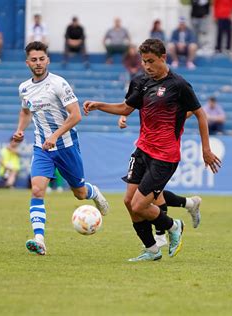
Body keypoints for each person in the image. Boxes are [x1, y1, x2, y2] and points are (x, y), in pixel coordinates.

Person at [83, 38, 221, 262]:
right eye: (143, 61)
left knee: (140, 205)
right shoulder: (142, 82)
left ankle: (174, 226)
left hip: (165, 156)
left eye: (151, 61)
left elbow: (200, 114)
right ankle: (151, 249)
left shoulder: (179, 85)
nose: (146, 66)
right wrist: (99, 105)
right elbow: (126, 108)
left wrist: (206, 149)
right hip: (142, 150)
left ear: (163, 58)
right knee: (129, 202)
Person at [13, 41, 109, 256]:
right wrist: (20, 130)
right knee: (37, 190)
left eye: (41, 59)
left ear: (48, 60)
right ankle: (39, 239)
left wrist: (55, 136)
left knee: (80, 193)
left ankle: (95, 192)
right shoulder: (24, 88)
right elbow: (26, 112)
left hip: (66, 146)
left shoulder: (59, 84)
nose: (38, 63)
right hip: (42, 148)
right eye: (34, 60)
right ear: (27, 62)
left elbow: (76, 115)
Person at [117, 115, 203, 248]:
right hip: (145, 146)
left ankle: (160, 235)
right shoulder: (148, 95)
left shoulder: (175, 97)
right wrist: (124, 115)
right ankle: (190, 204)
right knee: (143, 196)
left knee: (152, 194)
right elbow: (132, 99)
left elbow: (192, 108)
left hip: (163, 151)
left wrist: (167, 121)